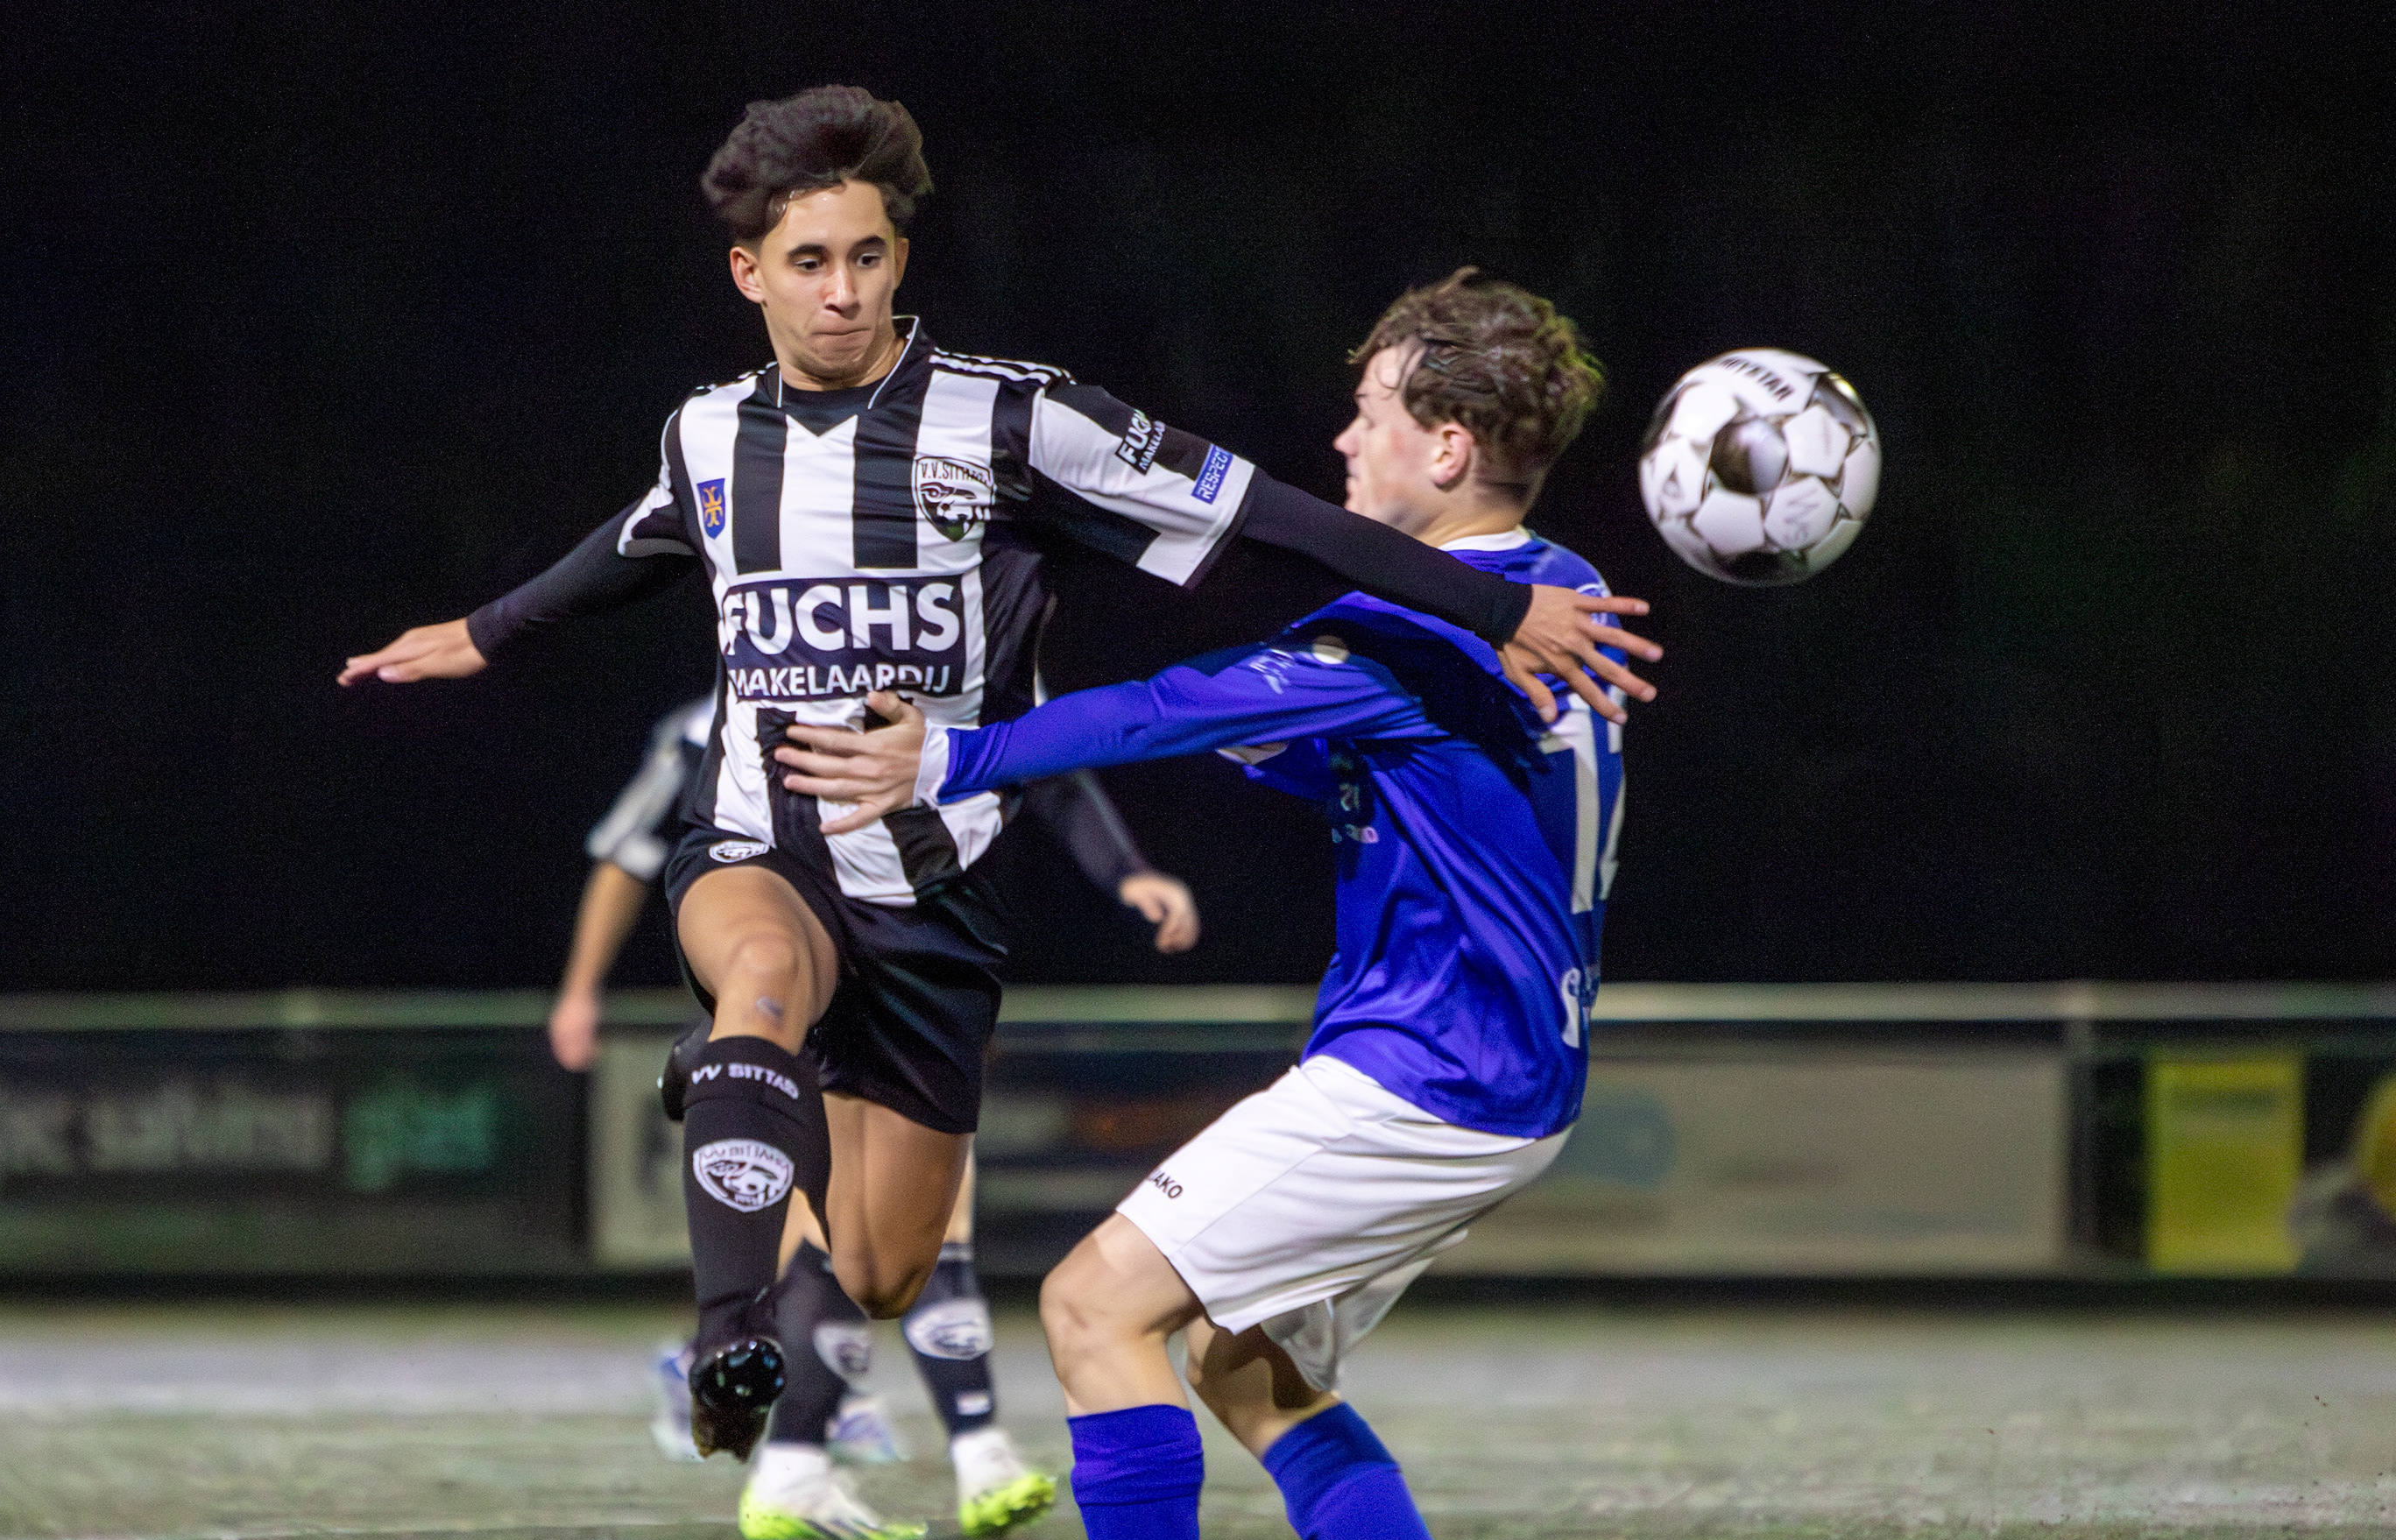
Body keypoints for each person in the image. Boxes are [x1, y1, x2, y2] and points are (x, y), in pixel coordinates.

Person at [342, 88, 1654, 1462]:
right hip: (764, 843)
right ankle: (728, 1333)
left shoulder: (1018, 421)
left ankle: (733, 1073)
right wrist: (486, 632)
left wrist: (1492, 605)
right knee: (762, 975)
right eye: (808, 262)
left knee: (883, 1269)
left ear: (899, 259)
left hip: (935, 888)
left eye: (866, 256)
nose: (841, 291)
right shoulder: (709, 433)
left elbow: (1270, 517)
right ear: (749, 275)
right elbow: (639, 540)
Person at [778, 267, 1623, 1540]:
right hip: (1513, 1076)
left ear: (1447, 448)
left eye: (1371, 414)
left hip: (1427, 1069)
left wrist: (953, 754)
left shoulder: (1414, 635)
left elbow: (1167, 708)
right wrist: (1266, 730)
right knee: (1244, 1363)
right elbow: (1397, 769)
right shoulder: (1558, 604)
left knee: (1093, 1307)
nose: (1344, 439)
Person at [554, 692, 1199, 1540]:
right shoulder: (711, 723)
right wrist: (579, 991)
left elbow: (1047, 764)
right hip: (792, 974)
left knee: (878, 1261)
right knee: (835, 1216)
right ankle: (925, 1448)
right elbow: (626, 852)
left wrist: (1125, 870)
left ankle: (809, 1451)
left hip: (914, 959)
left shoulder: (943, 684)